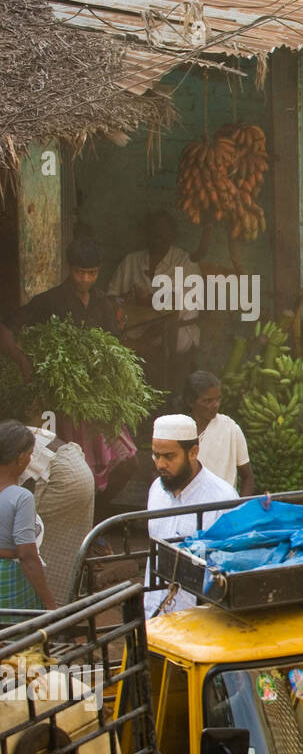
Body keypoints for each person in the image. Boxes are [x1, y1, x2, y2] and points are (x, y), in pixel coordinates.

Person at [0, 237, 136, 504]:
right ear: (69, 268)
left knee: (128, 461)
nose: (85, 279)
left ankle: (98, 521)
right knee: (74, 471)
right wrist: (23, 361)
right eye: (80, 272)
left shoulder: (103, 303)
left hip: (97, 400)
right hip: (61, 404)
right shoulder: (49, 301)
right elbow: (6, 328)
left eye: (92, 273)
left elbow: (115, 347)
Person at [144, 414, 239, 617]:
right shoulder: (156, 489)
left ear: (193, 452)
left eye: (168, 457)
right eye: (155, 455)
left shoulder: (222, 498)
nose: (160, 464)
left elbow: (229, 571)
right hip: (153, 615)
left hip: (196, 624)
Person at [104, 210, 203, 389]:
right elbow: (111, 297)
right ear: (146, 234)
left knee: (161, 329)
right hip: (137, 328)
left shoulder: (185, 262)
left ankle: (144, 355)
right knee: (116, 337)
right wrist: (124, 299)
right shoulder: (132, 260)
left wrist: (148, 300)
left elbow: (178, 308)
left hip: (177, 330)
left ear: (173, 236)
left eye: (164, 233)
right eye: (154, 233)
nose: (158, 238)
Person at [20, 424, 94, 605]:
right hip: (71, 464)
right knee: (57, 551)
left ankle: (49, 612)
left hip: (60, 476)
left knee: (32, 549)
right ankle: (55, 612)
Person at [0, 421, 56, 620]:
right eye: (31, 454)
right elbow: (27, 556)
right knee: (18, 643)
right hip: (8, 583)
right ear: (21, 458)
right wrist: (50, 603)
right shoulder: (21, 497)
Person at [185, 371, 254, 496]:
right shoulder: (181, 431)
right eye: (207, 401)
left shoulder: (230, 429)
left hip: (224, 509)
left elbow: (247, 478)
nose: (215, 405)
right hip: (189, 510)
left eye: (218, 399)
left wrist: (240, 509)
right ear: (191, 402)